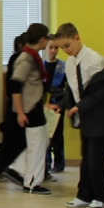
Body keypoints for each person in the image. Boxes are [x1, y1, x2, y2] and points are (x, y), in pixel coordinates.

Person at [55, 23, 104, 208]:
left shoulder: (94, 60)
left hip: (100, 117)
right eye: (62, 47)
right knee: (87, 158)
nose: (65, 50)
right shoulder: (70, 63)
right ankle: (84, 194)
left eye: (67, 45)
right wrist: (61, 105)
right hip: (86, 118)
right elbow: (71, 91)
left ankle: (102, 197)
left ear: (77, 38)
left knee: (96, 159)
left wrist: (79, 107)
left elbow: (101, 91)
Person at [3, 23, 54, 194]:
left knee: (41, 142)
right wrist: (20, 112)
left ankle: (17, 168)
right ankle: (31, 183)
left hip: (34, 106)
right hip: (29, 109)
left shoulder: (33, 57)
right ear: (42, 39)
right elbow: (15, 86)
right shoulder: (26, 59)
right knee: (36, 145)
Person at [0, 33, 27, 181]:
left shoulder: (17, 58)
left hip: (16, 104)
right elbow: (15, 85)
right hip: (17, 105)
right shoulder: (20, 59)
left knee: (14, 140)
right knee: (16, 140)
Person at [44, 37, 66, 175]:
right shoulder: (41, 65)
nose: (53, 51)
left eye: (56, 48)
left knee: (58, 134)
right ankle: (46, 162)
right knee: (45, 133)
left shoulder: (63, 66)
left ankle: (59, 163)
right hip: (45, 102)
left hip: (58, 101)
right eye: (50, 47)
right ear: (46, 48)